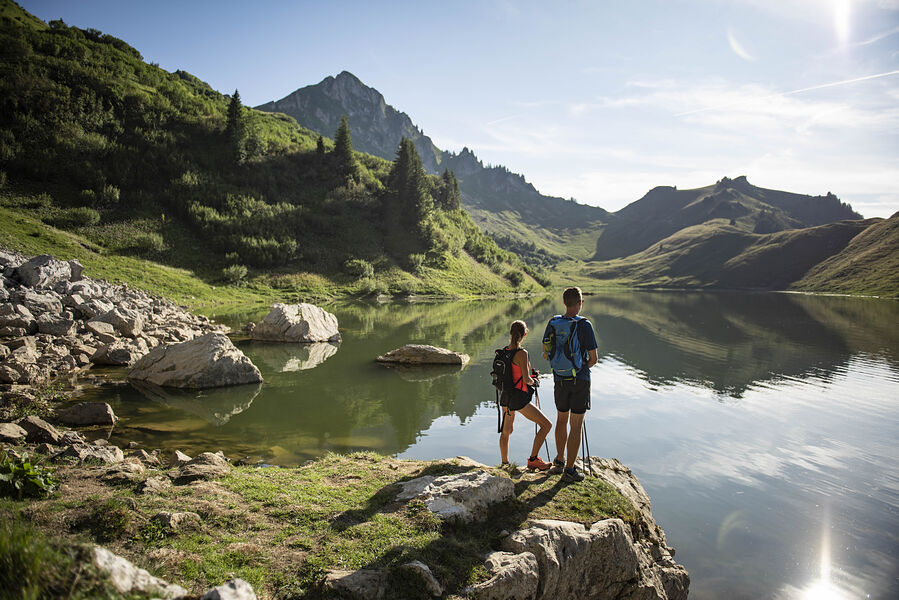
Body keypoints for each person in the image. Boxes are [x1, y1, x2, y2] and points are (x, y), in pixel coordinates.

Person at [542, 287, 598, 482]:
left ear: (564, 302)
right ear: (580, 303)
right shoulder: (584, 325)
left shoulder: (553, 322)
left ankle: (558, 461)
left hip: (559, 378)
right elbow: (593, 358)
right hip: (580, 379)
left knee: (561, 420)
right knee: (576, 425)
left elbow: (545, 351)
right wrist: (580, 368)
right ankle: (570, 469)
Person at [499, 320, 553, 471]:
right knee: (546, 425)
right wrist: (535, 380)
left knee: (506, 430)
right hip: (518, 398)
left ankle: (504, 463)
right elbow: (526, 379)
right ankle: (533, 460)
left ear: (510, 333)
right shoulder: (522, 353)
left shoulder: (505, 351)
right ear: (525, 334)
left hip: (505, 396)